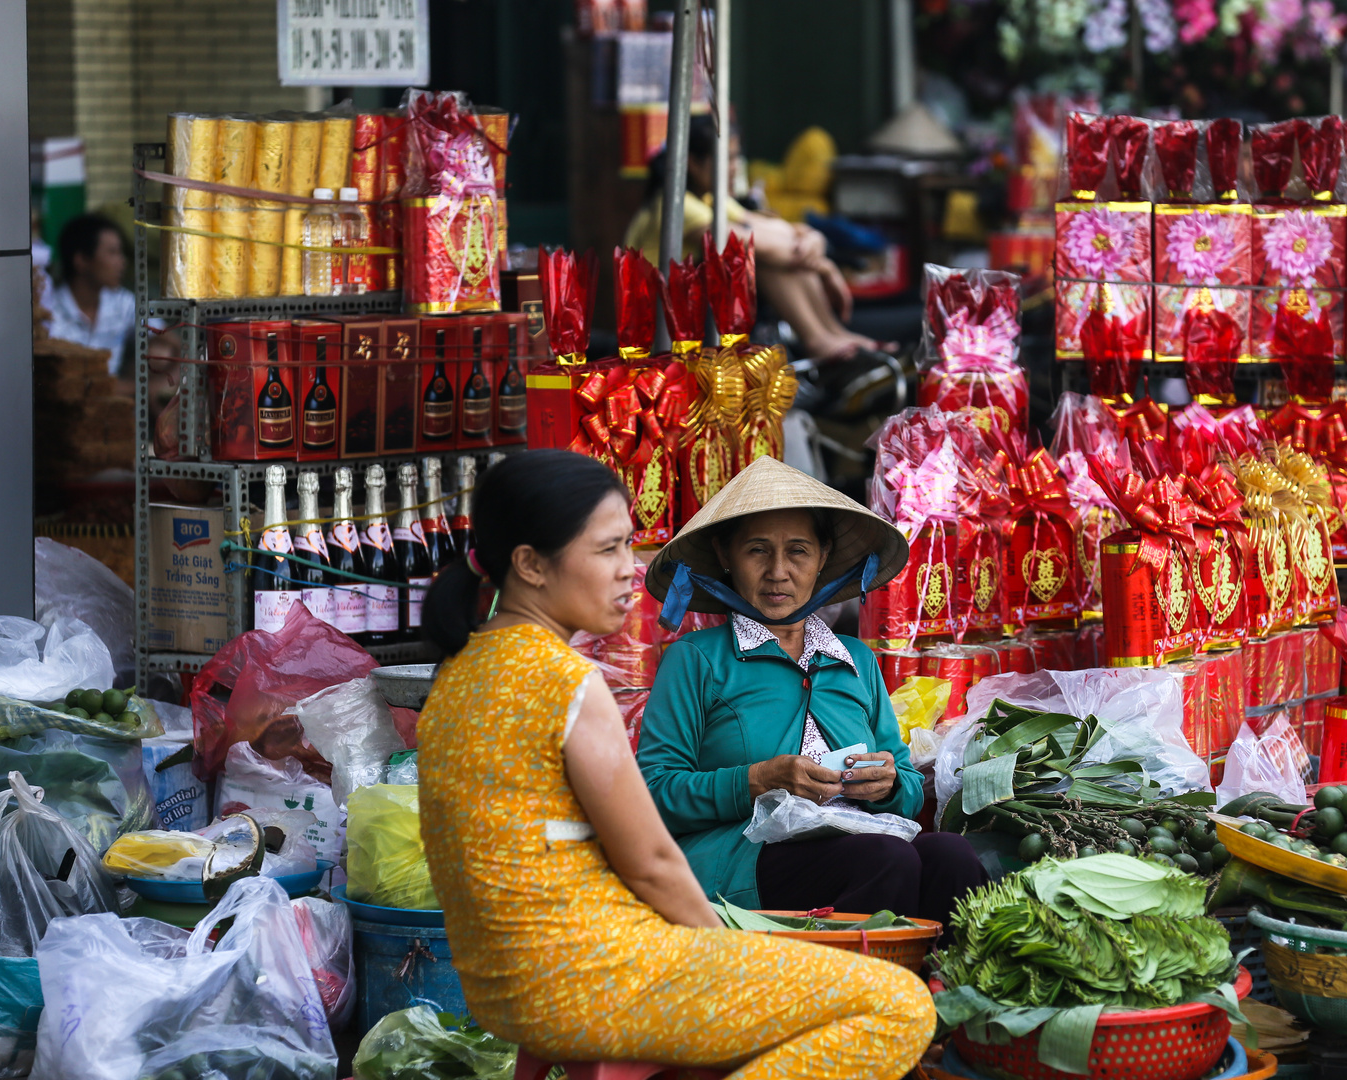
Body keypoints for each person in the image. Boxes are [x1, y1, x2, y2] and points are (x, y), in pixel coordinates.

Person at [418, 450, 934, 1078]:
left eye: (627, 548)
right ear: (530, 564)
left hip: (507, 983)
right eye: (606, 551)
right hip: (593, 974)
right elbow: (654, 861)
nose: (627, 575)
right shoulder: (564, 682)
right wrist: (729, 963)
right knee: (902, 1005)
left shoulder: (457, 678)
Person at [638, 456, 988, 932]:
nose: (778, 571)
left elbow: (905, 784)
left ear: (824, 556)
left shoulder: (855, 660)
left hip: (860, 841)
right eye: (757, 551)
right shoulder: (696, 659)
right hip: (741, 860)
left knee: (951, 854)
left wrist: (886, 786)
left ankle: (947, 994)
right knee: (886, 859)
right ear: (725, 555)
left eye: (798, 551)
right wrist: (756, 780)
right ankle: (860, 1000)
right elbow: (653, 792)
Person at [624, 114, 885, 361]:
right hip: (663, 323)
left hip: (695, 311)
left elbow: (776, 228)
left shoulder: (710, 200)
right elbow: (746, 240)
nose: (734, 168)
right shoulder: (674, 206)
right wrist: (825, 265)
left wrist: (810, 237)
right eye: (726, 159)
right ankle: (818, 338)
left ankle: (831, 333)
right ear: (693, 162)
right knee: (760, 255)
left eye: (736, 158)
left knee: (771, 250)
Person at [47, 213, 134, 377]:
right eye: (112, 252)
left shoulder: (122, 301)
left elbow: (165, 336)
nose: (122, 262)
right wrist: (144, 389)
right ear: (81, 261)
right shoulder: (50, 314)